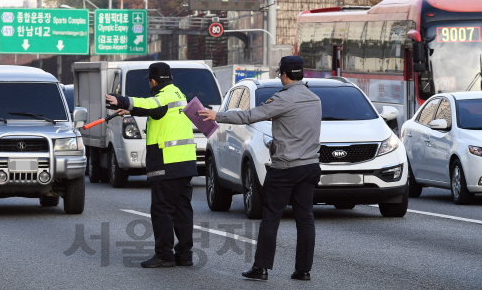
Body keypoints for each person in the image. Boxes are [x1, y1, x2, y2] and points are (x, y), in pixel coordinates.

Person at [199, 56, 322, 281]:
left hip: (285, 168)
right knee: (305, 219)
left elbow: (250, 115)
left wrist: (218, 115)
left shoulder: (284, 99)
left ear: (284, 75)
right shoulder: (314, 99)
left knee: (271, 217)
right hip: (310, 166)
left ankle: (261, 268)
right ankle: (303, 270)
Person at [105, 62, 197, 268]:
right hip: (185, 162)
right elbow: (157, 111)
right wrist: (129, 111)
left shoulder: (163, 97)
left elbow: (151, 104)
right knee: (182, 209)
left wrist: (122, 101)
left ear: (153, 81)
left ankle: (164, 255)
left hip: (168, 163)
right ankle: (185, 255)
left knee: (162, 210)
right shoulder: (178, 94)